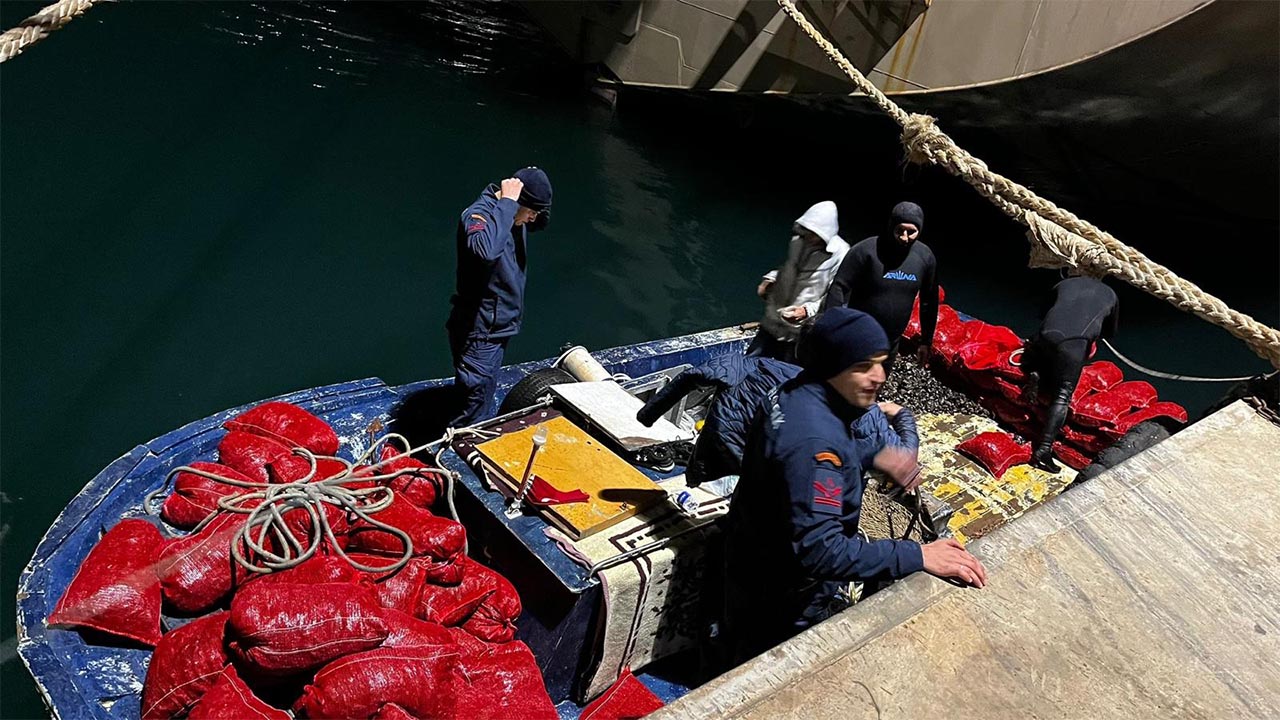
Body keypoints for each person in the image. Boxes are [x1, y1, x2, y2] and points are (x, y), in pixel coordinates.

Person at [721, 308, 986, 664]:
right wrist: (919, 555)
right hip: (781, 593)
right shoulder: (818, 450)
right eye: (863, 366)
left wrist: (877, 453)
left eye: (880, 362)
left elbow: (813, 447)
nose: (879, 376)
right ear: (832, 365)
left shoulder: (793, 390)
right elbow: (821, 550)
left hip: (749, 547)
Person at [446, 167, 552, 428]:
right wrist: (507, 203)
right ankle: (461, 450)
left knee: (483, 393)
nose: (532, 220)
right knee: (474, 402)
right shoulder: (479, 215)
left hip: (498, 328)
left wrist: (530, 183)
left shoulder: (514, 216)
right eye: (531, 212)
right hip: (480, 332)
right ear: (514, 203)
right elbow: (484, 252)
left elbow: (536, 219)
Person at [821, 201, 939, 375]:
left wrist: (926, 341)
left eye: (912, 232)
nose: (905, 237)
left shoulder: (925, 258)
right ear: (891, 226)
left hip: (889, 345)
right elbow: (839, 287)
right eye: (900, 230)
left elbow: (929, 301)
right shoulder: (866, 250)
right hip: (856, 336)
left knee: (874, 387)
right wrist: (831, 329)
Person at [1021, 275, 1119, 472]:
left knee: (1044, 350)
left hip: (1045, 335)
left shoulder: (1063, 283)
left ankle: (1036, 371)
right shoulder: (1111, 295)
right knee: (1062, 396)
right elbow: (1109, 333)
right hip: (1073, 344)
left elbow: (1043, 312)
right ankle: (1043, 450)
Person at [749, 201, 850, 363]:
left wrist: (806, 311)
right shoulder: (797, 240)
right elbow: (788, 267)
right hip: (773, 318)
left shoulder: (841, 255)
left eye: (814, 233)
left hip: (799, 330)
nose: (809, 236)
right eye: (807, 231)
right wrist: (771, 279)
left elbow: (834, 295)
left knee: (786, 370)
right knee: (750, 360)